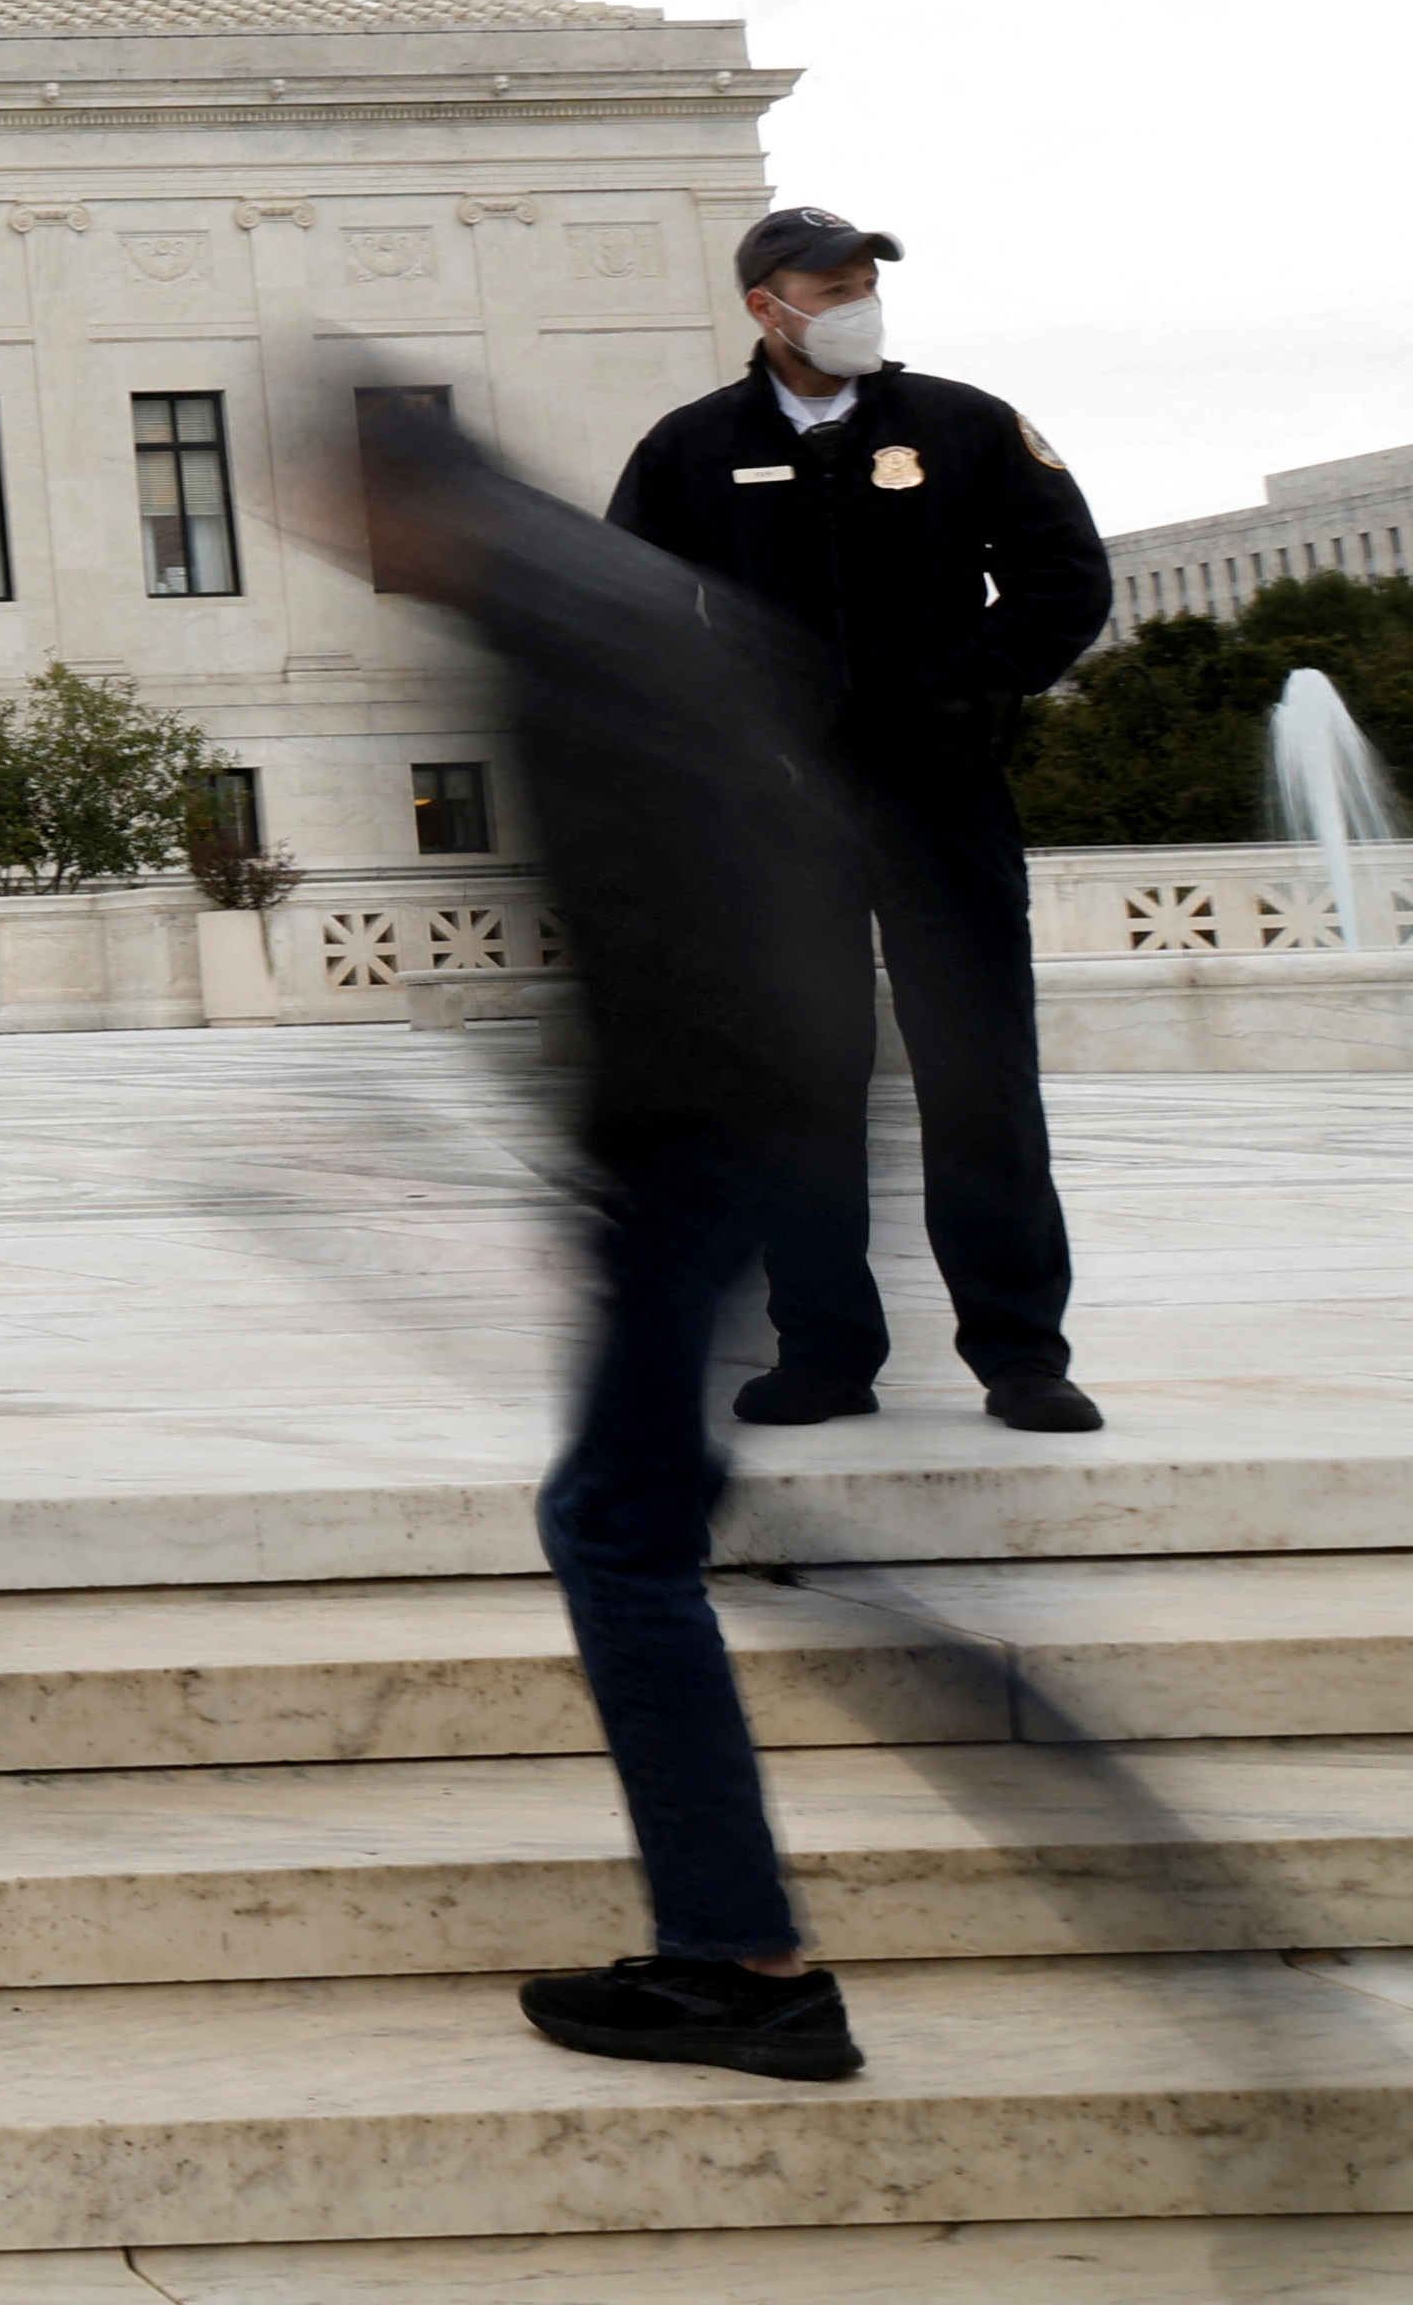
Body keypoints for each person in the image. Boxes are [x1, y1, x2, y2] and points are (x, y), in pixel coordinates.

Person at [369, 392, 878, 2081]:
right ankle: (740, 1943)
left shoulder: (554, 620)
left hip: (706, 1119)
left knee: (617, 1527)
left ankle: (745, 1959)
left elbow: (663, 904)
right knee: (634, 1511)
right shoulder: (611, 593)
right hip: (754, 1105)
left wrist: (627, 1170)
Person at [601, 204, 1113, 1432]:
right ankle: (823, 1351)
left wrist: (966, 688)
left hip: (940, 796)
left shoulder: (963, 424)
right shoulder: (693, 448)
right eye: (828, 286)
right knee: (803, 1082)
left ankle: (1020, 1351)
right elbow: (629, 612)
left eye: (862, 282)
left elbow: (1064, 580)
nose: (853, 302)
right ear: (765, 307)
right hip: (775, 819)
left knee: (979, 1071)